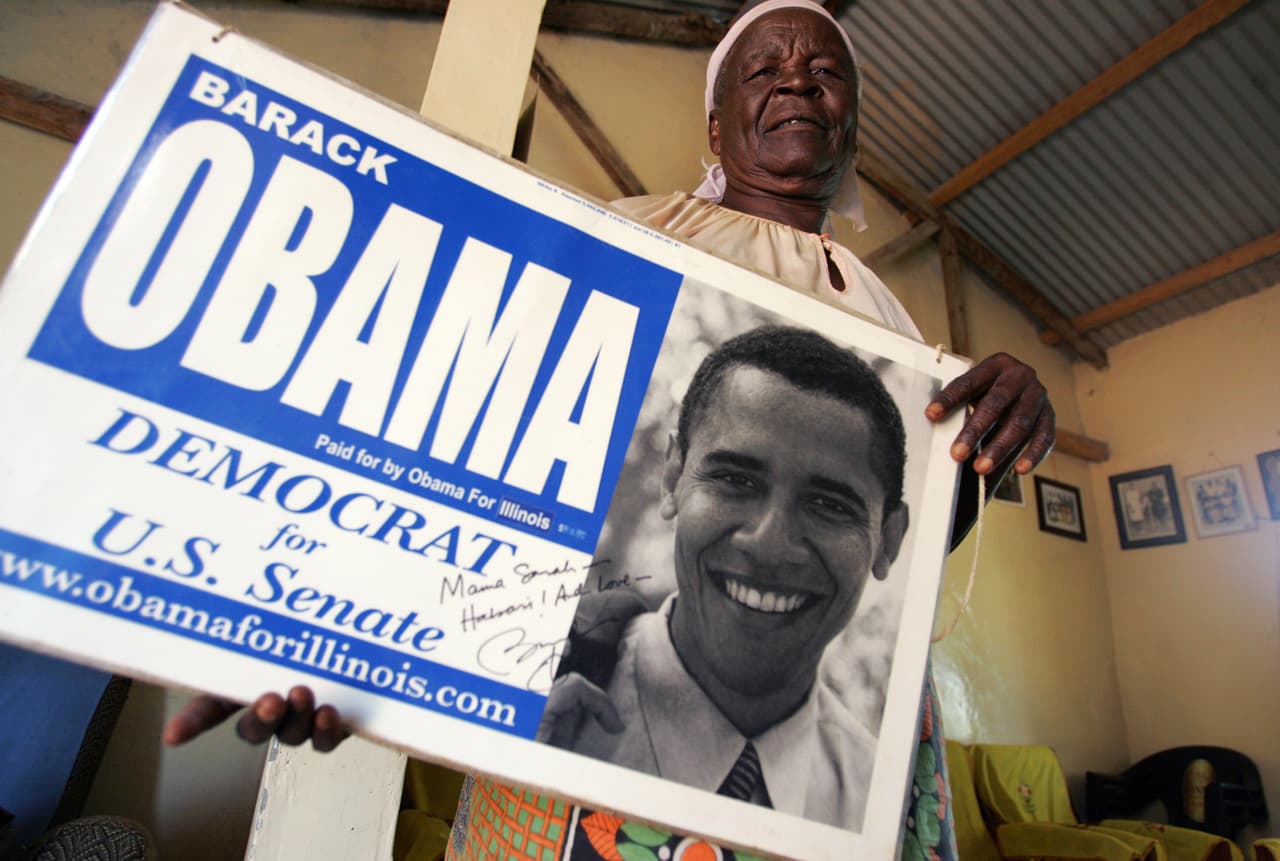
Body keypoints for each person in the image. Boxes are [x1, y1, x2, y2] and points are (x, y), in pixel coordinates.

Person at [164, 2, 1055, 857]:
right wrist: (328, 621)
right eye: (766, 68)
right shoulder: (628, 236)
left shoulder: (893, 320)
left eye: (824, 72)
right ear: (717, 125)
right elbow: (473, 433)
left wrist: (996, 441)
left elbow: (905, 542)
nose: (797, 83)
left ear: (851, 126)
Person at [538, 325, 910, 830]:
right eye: (735, 480)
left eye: (828, 505)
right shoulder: (539, 707)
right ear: (673, 479)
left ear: (887, 540)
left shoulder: (884, 810)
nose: (769, 544)